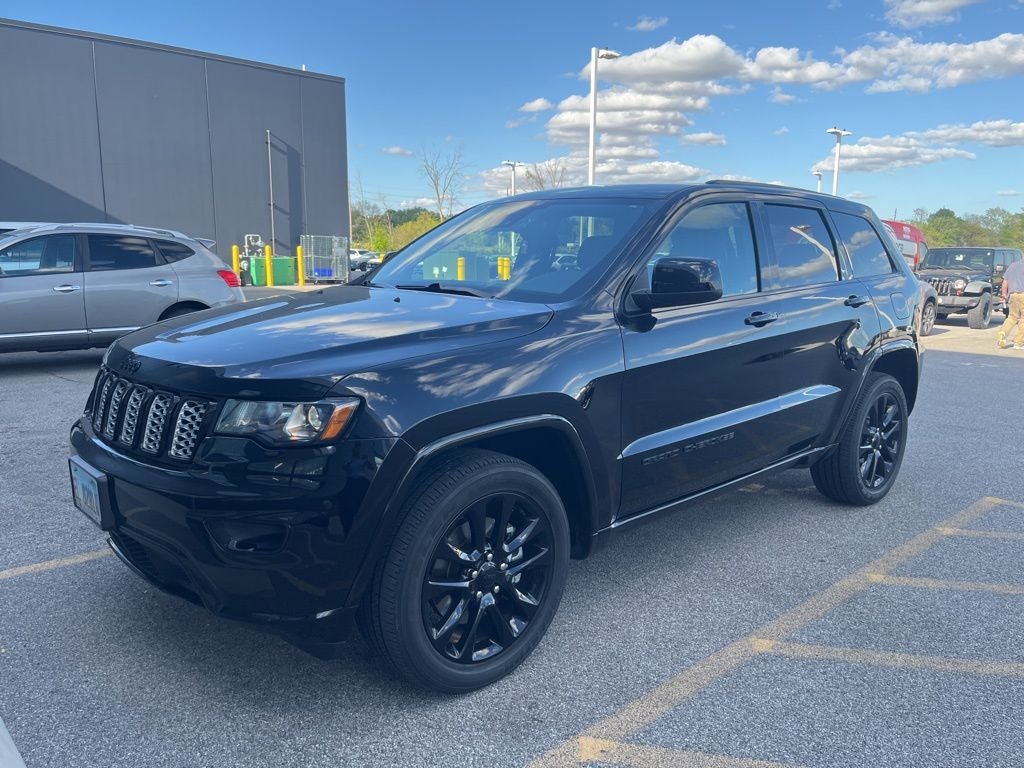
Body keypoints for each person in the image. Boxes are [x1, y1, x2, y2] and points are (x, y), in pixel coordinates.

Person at [998, 257, 1024, 349]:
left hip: (1012, 295)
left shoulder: (1012, 265)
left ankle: (1003, 333)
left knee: (1012, 317)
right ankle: (1018, 343)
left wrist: (1004, 294)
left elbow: (1005, 281)